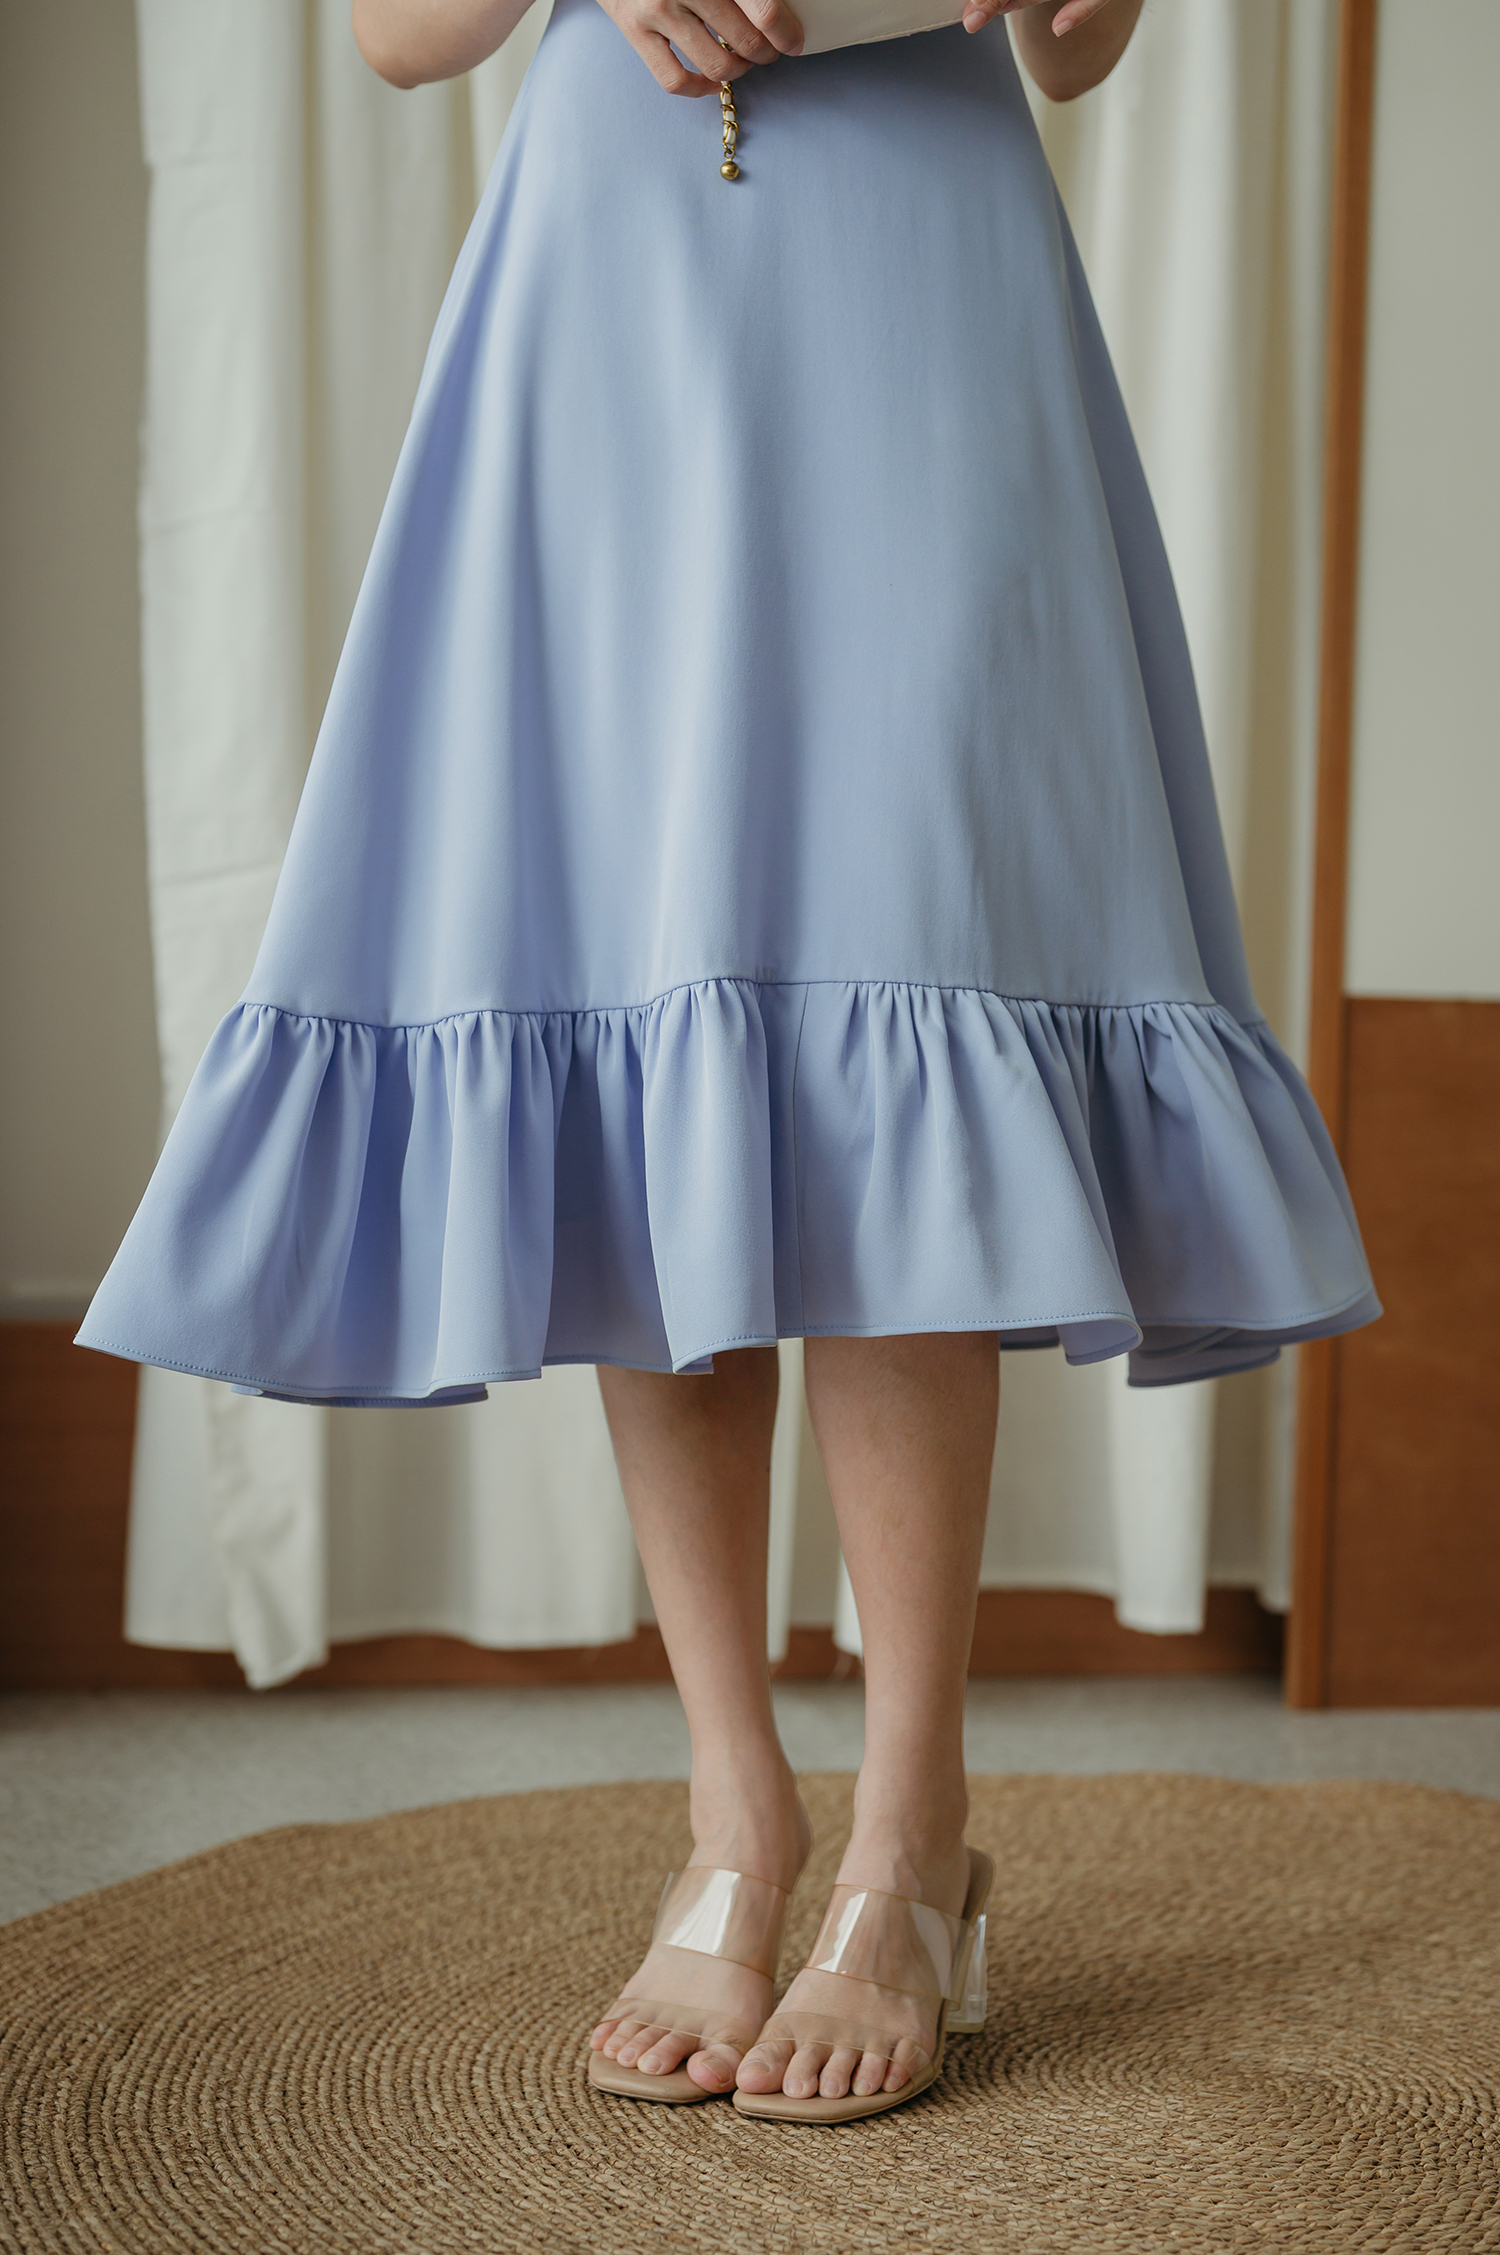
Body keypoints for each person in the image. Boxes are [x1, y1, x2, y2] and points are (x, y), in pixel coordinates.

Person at [78, 0, 1378, 2124]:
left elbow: (1079, 51)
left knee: (905, 1014)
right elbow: (401, 38)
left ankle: (911, 1831)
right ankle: (736, 1806)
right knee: (649, 1013)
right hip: (613, 302)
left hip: (926, 293)